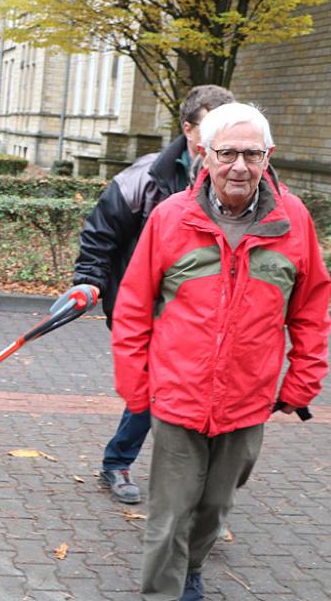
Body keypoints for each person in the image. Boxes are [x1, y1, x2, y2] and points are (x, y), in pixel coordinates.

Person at [111, 102, 330, 600]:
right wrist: (135, 385)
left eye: (251, 154)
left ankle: (192, 566)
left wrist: (300, 382)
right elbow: (132, 307)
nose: (239, 166)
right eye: (227, 152)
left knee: (214, 507)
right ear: (204, 155)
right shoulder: (172, 217)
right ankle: (165, 591)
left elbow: (313, 307)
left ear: (268, 156)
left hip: (248, 399)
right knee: (170, 513)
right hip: (178, 395)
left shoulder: (293, 220)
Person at [73, 85, 235, 504]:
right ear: (189, 130)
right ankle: (118, 462)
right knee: (151, 389)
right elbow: (100, 235)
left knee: (201, 393)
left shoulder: (239, 179)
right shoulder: (143, 178)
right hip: (144, 306)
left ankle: (197, 494)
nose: (226, 140)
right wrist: (87, 280)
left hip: (203, 312)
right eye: (214, 128)